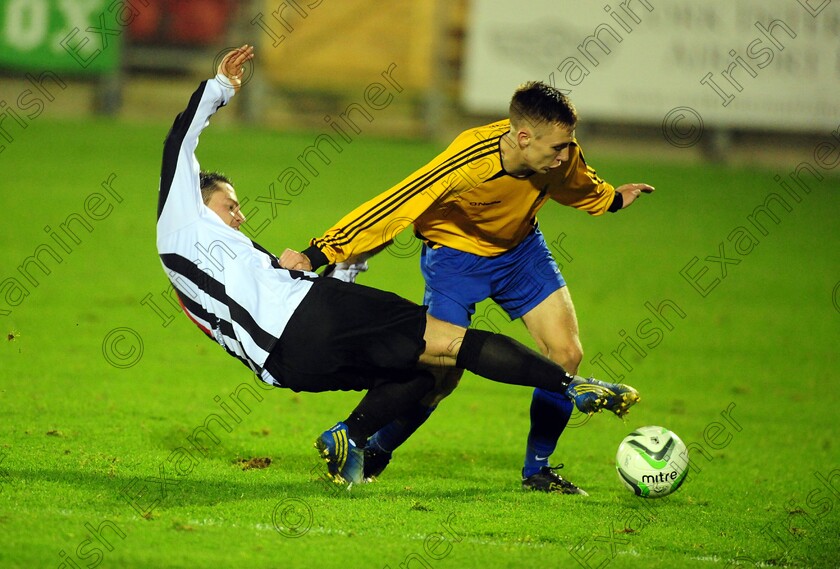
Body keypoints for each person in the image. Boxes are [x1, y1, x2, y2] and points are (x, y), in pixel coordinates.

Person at [156, 46, 625, 488]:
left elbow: (282, 292)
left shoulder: (233, 258)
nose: (239, 216)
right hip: (311, 312)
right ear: (194, 200)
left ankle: (351, 437)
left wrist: (342, 267)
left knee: (424, 372)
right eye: (229, 205)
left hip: (286, 364)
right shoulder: (182, 224)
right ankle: (571, 386)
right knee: (450, 344)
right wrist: (221, 86)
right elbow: (180, 140)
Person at [281, 80, 652, 494]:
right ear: (524, 137)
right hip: (454, 259)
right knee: (441, 374)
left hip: (521, 252)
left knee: (567, 354)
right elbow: (397, 204)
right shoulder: (469, 161)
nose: (565, 155)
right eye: (557, 147)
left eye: (568, 145)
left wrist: (612, 200)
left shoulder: (561, 154)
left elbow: (577, 182)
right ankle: (373, 448)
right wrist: (318, 254)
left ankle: (538, 471)